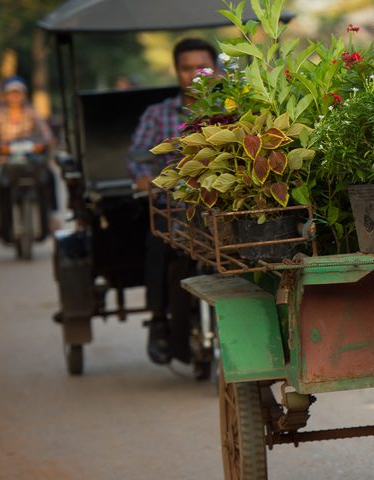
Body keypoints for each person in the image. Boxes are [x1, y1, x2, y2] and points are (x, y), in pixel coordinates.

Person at [127, 38, 218, 366]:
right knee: (157, 242)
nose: (194, 74)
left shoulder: (231, 107)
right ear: (176, 71)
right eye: (186, 68)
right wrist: (143, 177)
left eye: (202, 67)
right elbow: (138, 155)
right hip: (174, 206)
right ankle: (158, 321)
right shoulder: (158, 113)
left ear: (216, 70)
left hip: (221, 207)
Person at [0, 76, 56, 245]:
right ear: (5, 96)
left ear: (24, 94)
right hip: (7, 159)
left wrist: (46, 142)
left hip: (30, 158)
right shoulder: (0, 114)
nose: (15, 97)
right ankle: (2, 225)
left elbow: (46, 134)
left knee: (48, 176)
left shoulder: (31, 111)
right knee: (0, 183)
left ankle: (51, 216)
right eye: (12, 93)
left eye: (18, 93)